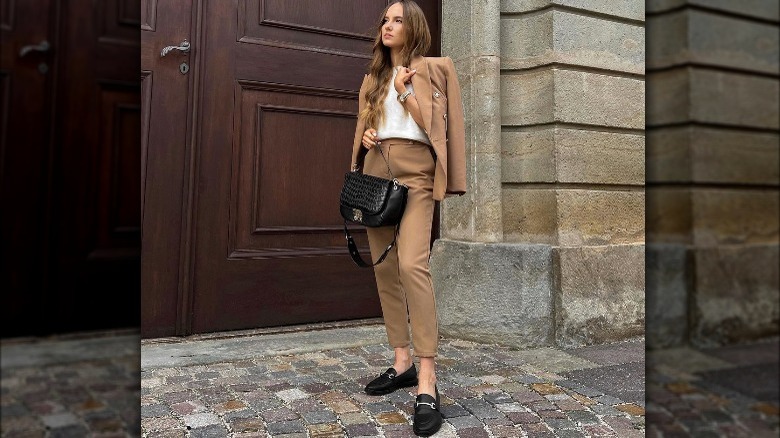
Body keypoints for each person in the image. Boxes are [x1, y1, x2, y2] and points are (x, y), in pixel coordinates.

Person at [349, 1, 466, 435]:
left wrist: (405, 92)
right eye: (385, 19)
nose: (388, 26)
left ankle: (428, 378)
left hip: (416, 176)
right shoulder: (372, 78)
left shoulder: (434, 70)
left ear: (413, 27)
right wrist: (365, 136)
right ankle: (401, 361)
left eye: (397, 19)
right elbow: (364, 128)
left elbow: (436, 127)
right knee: (384, 270)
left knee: (413, 264)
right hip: (378, 173)